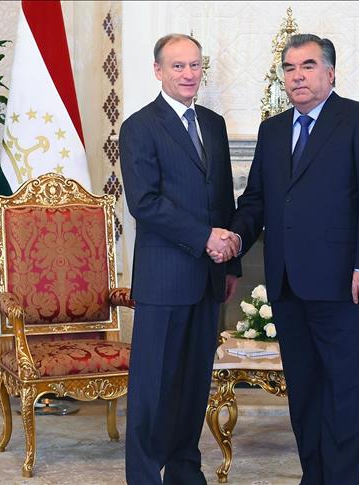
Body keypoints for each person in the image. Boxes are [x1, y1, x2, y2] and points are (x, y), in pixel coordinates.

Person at [216, 33, 359, 485]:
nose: (298, 76)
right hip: (287, 284)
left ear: (330, 73)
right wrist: (235, 239)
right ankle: (313, 476)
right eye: (290, 68)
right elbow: (256, 200)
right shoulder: (273, 130)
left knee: (345, 392)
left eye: (308, 66)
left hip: (345, 282)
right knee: (306, 392)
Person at [119, 33, 241, 485]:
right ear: (158, 71)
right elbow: (145, 203)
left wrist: (230, 265)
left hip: (209, 278)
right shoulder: (139, 126)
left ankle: (185, 474)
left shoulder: (213, 123)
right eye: (178, 66)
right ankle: (145, 477)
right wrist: (205, 237)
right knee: (153, 388)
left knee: (193, 386)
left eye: (194, 65)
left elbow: (222, 197)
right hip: (164, 278)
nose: (189, 74)